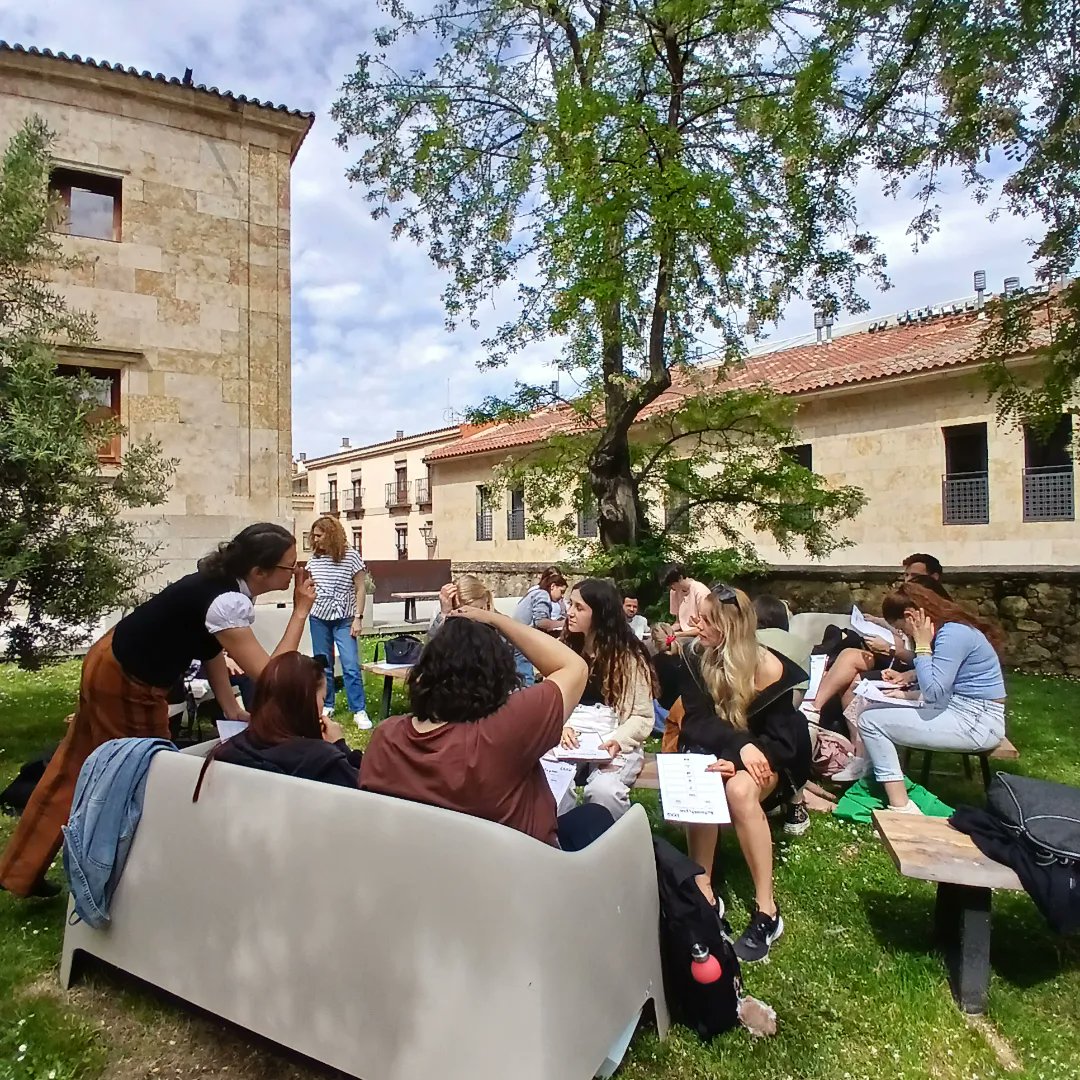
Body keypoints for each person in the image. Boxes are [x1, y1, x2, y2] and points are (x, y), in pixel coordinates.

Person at [0, 523, 316, 899]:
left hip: (110, 660)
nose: (298, 572)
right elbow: (272, 677)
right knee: (147, 776)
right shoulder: (227, 601)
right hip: (128, 681)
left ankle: (18, 871)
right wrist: (300, 612)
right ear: (259, 572)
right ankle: (127, 882)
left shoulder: (220, 589)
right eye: (290, 566)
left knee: (73, 766)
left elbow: (209, 646)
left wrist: (231, 707)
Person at [360, 606, 613, 851]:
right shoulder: (504, 728)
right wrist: (499, 620)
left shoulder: (386, 737)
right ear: (497, 674)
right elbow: (573, 667)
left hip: (426, 872)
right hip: (520, 871)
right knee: (595, 818)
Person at [677, 584, 810, 962]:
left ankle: (767, 909)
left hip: (772, 755)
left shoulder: (771, 669)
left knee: (738, 791)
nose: (694, 625)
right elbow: (697, 721)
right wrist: (737, 749)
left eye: (705, 620)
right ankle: (705, 892)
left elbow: (786, 742)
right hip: (722, 749)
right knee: (703, 779)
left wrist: (744, 756)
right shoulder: (695, 658)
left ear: (730, 628)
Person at [845, 582, 1006, 813]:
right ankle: (873, 778)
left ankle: (900, 805)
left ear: (911, 616)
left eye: (902, 629)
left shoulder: (953, 634)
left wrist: (921, 645)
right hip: (964, 712)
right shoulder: (951, 630)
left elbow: (933, 692)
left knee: (871, 721)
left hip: (977, 723)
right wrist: (906, 689)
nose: (904, 635)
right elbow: (941, 682)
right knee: (871, 710)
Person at [194, 652, 362, 798]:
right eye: (322, 699)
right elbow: (371, 795)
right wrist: (341, 747)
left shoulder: (229, 750)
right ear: (307, 702)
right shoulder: (322, 760)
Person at [559, 579, 656, 820]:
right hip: (572, 735)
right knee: (553, 784)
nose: (570, 613)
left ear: (600, 614)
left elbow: (642, 716)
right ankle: (558, 848)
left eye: (579, 608)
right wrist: (560, 726)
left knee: (604, 791)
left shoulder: (628, 656)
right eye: (570, 605)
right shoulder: (564, 649)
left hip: (614, 736)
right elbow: (550, 700)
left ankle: (610, 849)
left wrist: (618, 741)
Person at [752, 595, 813, 836]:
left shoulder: (742, 641)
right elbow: (797, 699)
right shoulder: (800, 646)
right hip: (782, 722)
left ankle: (772, 800)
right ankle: (795, 804)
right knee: (799, 726)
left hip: (741, 718)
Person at [306, 516, 371, 730]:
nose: (315, 539)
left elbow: (360, 588)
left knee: (350, 665)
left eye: (319, 535)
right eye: (313, 535)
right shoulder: (314, 559)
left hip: (344, 618)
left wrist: (358, 618)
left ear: (330, 534)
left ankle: (358, 710)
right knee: (323, 664)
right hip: (319, 617)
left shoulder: (351, 556)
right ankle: (328, 704)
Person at [511, 567, 568, 685]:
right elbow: (541, 622)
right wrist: (564, 623)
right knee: (526, 680)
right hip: (521, 639)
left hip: (517, 636)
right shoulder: (542, 595)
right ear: (553, 586)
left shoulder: (535, 593)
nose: (562, 596)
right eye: (561, 592)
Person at [428, 575, 494, 634]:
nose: (471, 619)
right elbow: (432, 644)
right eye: (461, 613)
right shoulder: (446, 618)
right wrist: (444, 614)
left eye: (477, 610)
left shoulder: (498, 624)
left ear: (486, 603)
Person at [660, 563, 710, 638]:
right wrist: (667, 631)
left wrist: (678, 634)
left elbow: (705, 627)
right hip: (682, 633)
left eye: (672, 584)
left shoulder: (700, 591)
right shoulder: (674, 592)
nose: (671, 587)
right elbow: (678, 623)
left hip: (700, 636)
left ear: (680, 578)